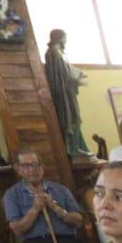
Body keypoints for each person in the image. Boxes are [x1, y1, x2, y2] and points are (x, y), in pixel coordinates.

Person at [3, 149, 89, 243]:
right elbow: (17, 228)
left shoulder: (60, 190)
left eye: (35, 164)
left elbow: (78, 220)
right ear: (18, 169)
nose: (32, 169)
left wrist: (57, 209)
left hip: (67, 241)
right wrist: (35, 209)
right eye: (26, 166)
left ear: (42, 167)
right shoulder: (12, 195)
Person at [44, 29, 88, 158]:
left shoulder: (58, 53)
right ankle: (73, 148)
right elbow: (62, 75)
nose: (66, 39)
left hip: (68, 92)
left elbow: (66, 71)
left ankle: (78, 147)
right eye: (64, 37)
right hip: (63, 94)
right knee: (71, 118)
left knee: (75, 118)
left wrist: (77, 76)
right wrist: (76, 78)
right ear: (60, 37)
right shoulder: (54, 53)